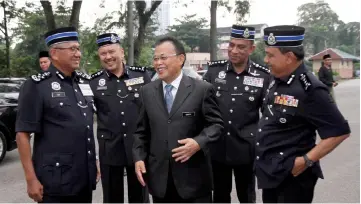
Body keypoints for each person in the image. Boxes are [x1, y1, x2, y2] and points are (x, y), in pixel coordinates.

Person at [256, 25, 351, 203]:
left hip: (293, 178)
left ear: (289, 57)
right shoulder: (276, 79)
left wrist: (306, 161)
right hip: (272, 172)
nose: (266, 59)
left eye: (270, 55)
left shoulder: (310, 89)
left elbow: (339, 131)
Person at [132, 36, 224, 203]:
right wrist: (138, 157)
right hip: (160, 180)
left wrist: (198, 142)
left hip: (193, 179)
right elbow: (141, 131)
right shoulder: (147, 92)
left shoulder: (201, 89)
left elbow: (216, 125)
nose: (158, 63)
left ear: (181, 59)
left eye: (163, 58)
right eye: (155, 58)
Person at [15, 27, 100, 203]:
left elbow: (84, 128)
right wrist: (31, 179)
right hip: (56, 181)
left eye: (78, 48)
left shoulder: (82, 83)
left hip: (83, 177)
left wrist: (94, 160)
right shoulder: (37, 86)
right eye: (73, 49)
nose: (78, 54)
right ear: (54, 53)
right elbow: (22, 135)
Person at [203, 25, 270, 203]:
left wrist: (261, 144)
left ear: (251, 49)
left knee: (246, 196)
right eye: (231, 45)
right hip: (217, 147)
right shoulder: (214, 72)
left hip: (246, 150)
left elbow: (268, 116)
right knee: (219, 196)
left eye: (241, 47)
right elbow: (202, 108)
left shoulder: (263, 76)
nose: (234, 51)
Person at [90, 33, 150, 203]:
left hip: (137, 149)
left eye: (112, 52)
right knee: (111, 198)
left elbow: (152, 112)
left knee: (140, 196)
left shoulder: (141, 76)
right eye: (103, 54)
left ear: (122, 52)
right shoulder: (93, 83)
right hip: (109, 150)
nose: (108, 57)